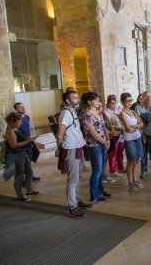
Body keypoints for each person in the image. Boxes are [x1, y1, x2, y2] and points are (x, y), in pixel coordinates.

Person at [56, 90, 92, 218]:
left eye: (77, 97)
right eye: (74, 98)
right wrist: (58, 147)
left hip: (78, 147)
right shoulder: (65, 113)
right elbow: (60, 131)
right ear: (67, 100)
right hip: (70, 148)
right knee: (73, 179)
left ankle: (77, 200)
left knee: (78, 177)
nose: (77, 99)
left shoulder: (73, 111)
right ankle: (72, 207)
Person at [82, 92, 112, 203]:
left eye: (98, 99)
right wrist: (104, 142)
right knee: (97, 170)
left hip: (103, 143)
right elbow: (93, 133)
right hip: (94, 145)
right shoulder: (87, 115)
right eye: (96, 99)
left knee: (102, 169)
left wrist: (108, 139)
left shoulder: (98, 112)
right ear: (89, 102)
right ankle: (94, 195)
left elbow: (104, 127)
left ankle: (100, 190)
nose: (98, 101)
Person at [4, 112, 40, 202]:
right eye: (19, 121)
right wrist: (28, 141)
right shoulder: (10, 131)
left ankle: (29, 191)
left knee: (29, 173)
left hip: (23, 154)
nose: (21, 123)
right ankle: (20, 195)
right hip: (16, 155)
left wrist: (28, 139)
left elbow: (20, 140)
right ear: (12, 122)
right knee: (19, 176)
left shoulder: (17, 129)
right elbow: (14, 146)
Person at [119, 92, 145, 191]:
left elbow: (142, 123)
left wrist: (135, 127)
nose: (130, 102)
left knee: (137, 160)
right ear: (122, 102)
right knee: (131, 161)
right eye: (128, 101)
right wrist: (137, 127)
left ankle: (135, 179)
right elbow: (128, 129)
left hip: (137, 137)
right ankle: (130, 182)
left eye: (131, 100)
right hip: (129, 139)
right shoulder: (122, 114)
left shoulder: (133, 112)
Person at [136, 91, 151, 178]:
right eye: (146, 96)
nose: (149, 98)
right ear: (142, 98)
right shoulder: (138, 107)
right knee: (143, 153)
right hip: (143, 133)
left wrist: (144, 116)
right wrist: (150, 115)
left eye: (150, 96)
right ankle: (143, 170)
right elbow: (138, 120)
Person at [14, 102, 40, 182]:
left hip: (29, 141)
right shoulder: (15, 119)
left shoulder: (27, 117)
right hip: (21, 142)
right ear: (16, 109)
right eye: (20, 107)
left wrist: (32, 139)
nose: (23, 108)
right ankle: (22, 180)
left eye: (23, 106)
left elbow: (28, 130)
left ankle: (30, 176)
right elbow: (16, 131)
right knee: (22, 163)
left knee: (29, 160)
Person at [104, 95, 125, 177]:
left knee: (120, 152)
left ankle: (121, 167)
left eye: (115, 103)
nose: (114, 105)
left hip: (121, 135)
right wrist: (119, 128)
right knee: (113, 153)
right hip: (114, 134)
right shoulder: (107, 112)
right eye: (112, 103)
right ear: (108, 103)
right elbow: (109, 125)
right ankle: (113, 170)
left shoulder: (118, 109)